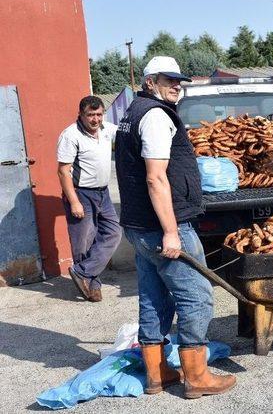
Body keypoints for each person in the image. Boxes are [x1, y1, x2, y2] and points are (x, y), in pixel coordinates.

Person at [115, 56, 236, 397]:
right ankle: (196, 377)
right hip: (163, 226)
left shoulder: (133, 111)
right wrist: (171, 231)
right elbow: (155, 178)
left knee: (154, 299)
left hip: (138, 227)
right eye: (169, 80)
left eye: (179, 79)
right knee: (197, 296)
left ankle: (157, 375)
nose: (177, 85)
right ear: (150, 81)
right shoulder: (154, 116)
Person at [57, 96, 122, 302]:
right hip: (81, 193)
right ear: (81, 115)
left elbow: (127, 132)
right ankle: (92, 285)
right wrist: (74, 201)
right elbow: (63, 172)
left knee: (113, 233)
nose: (95, 119)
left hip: (103, 193)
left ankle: (82, 272)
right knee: (83, 242)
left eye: (99, 114)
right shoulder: (70, 135)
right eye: (90, 115)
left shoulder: (106, 129)